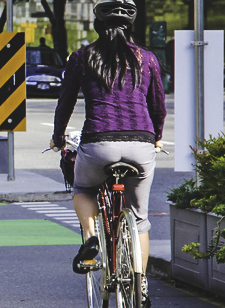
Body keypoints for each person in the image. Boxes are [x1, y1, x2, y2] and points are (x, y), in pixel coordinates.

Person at [51, 1, 164, 306]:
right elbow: (158, 107)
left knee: (83, 187)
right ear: (131, 27)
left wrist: (58, 137)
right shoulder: (148, 59)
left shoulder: (82, 57)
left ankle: (90, 239)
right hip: (141, 144)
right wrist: (157, 139)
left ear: (97, 26)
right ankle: (140, 286)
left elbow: (65, 103)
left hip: (99, 143)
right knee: (139, 219)